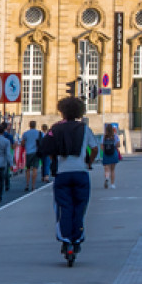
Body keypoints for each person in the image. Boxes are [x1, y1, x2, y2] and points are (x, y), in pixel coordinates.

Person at [40, 96, 98, 263]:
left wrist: (54, 160)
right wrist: (89, 162)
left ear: (62, 111)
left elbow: (46, 148)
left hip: (62, 173)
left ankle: (65, 238)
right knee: (80, 206)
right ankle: (77, 237)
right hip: (81, 172)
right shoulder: (84, 128)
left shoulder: (55, 128)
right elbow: (95, 148)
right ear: (80, 111)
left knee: (64, 206)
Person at [100, 123, 123, 189]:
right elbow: (118, 145)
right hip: (113, 153)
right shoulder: (115, 136)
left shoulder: (103, 137)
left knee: (106, 168)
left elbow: (101, 147)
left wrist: (105, 150)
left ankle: (107, 177)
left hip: (106, 154)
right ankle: (112, 184)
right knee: (112, 170)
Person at [22, 121, 44, 190]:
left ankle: (27, 184)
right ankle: (33, 186)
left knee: (28, 169)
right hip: (36, 152)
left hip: (28, 152)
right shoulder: (40, 133)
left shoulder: (25, 133)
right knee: (35, 169)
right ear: (35, 125)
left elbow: (22, 143)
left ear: (29, 125)